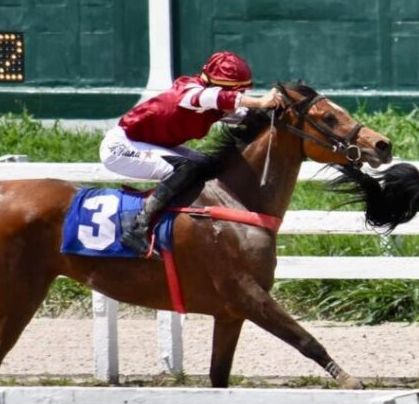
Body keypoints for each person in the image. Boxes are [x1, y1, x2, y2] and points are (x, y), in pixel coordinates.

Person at [100, 51, 285, 255]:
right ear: (217, 85)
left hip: (151, 143)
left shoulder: (214, 104)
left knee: (209, 165)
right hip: (121, 146)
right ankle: (137, 227)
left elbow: (246, 116)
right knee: (186, 168)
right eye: (236, 90)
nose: (240, 94)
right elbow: (215, 98)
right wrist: (259, 101)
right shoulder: (189, 91)